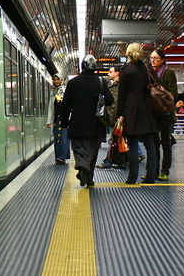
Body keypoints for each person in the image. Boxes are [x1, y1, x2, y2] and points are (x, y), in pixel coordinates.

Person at [59, 55, 113, 187]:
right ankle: (89, 178)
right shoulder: (101, 82)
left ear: (82, 66)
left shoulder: (73, 83)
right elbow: (110, 100)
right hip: (96, 124)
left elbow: (65, 106)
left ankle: (82, 165)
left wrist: (64, 123)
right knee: (93, 152)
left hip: (77, 124)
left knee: (78, 147)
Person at [116, 43, 158, 184]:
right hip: (146, 109)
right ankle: (151, 176)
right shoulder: (147, 69)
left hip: (131, 110)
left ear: (128, 54)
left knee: (132, 144)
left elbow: (121, 94)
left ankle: (132, 177)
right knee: (150, 144)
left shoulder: (126, 70)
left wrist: (119, 114)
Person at [149, 48, 178, 181]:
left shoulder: (168, 73)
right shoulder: (149, 73)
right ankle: (154, 171)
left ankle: (165, 171)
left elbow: (173, 93)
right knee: (153, 143)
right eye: (151, 58)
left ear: (163, 60)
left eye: (156, 58)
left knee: (166, 143)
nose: (153, 60)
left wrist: (161, 98)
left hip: (165, 113)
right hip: (153, 113)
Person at [97, 66, 127, 169]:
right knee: (118, 139)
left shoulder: (120, 86)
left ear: (117, 73)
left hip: (116, 118)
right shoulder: (111, 85)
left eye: (111, 72)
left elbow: (116, 103)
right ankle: (121, 160)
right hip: (114, 117)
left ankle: (109, 160)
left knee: (113, 139)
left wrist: (116, 118)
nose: (108, 74)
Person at [46, 73, 70, 164]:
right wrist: (49, 120)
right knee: (57, 138)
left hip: (64, 118)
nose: (56, 81)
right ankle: (58, 156)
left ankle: (62, 157)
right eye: (54, 79)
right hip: (56, 119)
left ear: (61, 80)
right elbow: (51, 108)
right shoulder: (53, 92)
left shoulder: (65, 91)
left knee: (64, 138)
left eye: (58, 79)